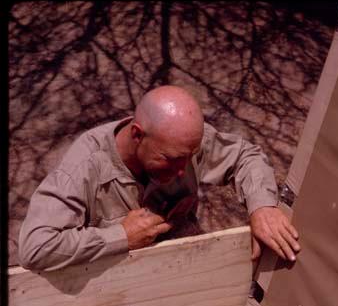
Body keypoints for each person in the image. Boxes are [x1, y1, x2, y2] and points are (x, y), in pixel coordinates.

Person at [18, 85, 300, 272]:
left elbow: (245, 156)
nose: (182, 170)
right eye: (171, 159)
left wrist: (263, 206)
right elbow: (36, 248)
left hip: (185, 265)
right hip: (115, 286)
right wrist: (120, 236)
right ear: (137, 135)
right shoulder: (82, 169)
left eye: (188, 157)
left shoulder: (181, 144)